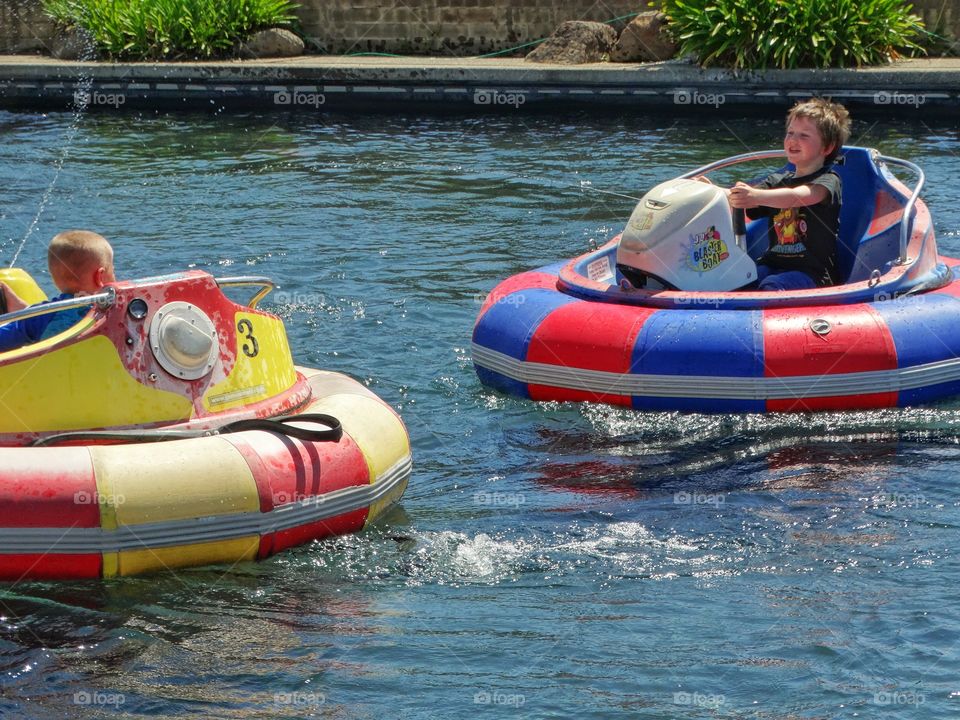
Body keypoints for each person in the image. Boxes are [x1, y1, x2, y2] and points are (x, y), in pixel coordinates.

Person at [727, 97, 852, 291]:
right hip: (772, 265)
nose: (793, 140)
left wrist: (755, 196)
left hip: (812, 274)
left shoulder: (828, 180)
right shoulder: (778, 180)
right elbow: (745, 197)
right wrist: (715, 191)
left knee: (772, 286)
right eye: (790, 133)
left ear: (826, 147)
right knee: (736, 279)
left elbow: (799, 196)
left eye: (804, 136)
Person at [0, 230, 115, 352]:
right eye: (113, 270)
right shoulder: (118, 308)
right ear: (100, 276)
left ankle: (22, 310)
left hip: (57, 368)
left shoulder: (46, 314)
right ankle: (22, 309)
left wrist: (25, 316)